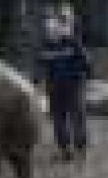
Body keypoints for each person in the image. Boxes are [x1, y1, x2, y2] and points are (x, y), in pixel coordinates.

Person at [38, 12, 93, 162]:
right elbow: (42, 67)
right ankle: (65, 150)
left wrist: (82, 78)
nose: (49, 31)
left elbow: (87, 64)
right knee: (58, 119)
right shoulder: (45, 47)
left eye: (52, 27)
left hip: (73, 87)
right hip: (54, 90)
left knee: (77, 118)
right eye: (47, 29)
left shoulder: (73, 43)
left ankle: (81, 150)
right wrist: (43, 83)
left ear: (59, 27)